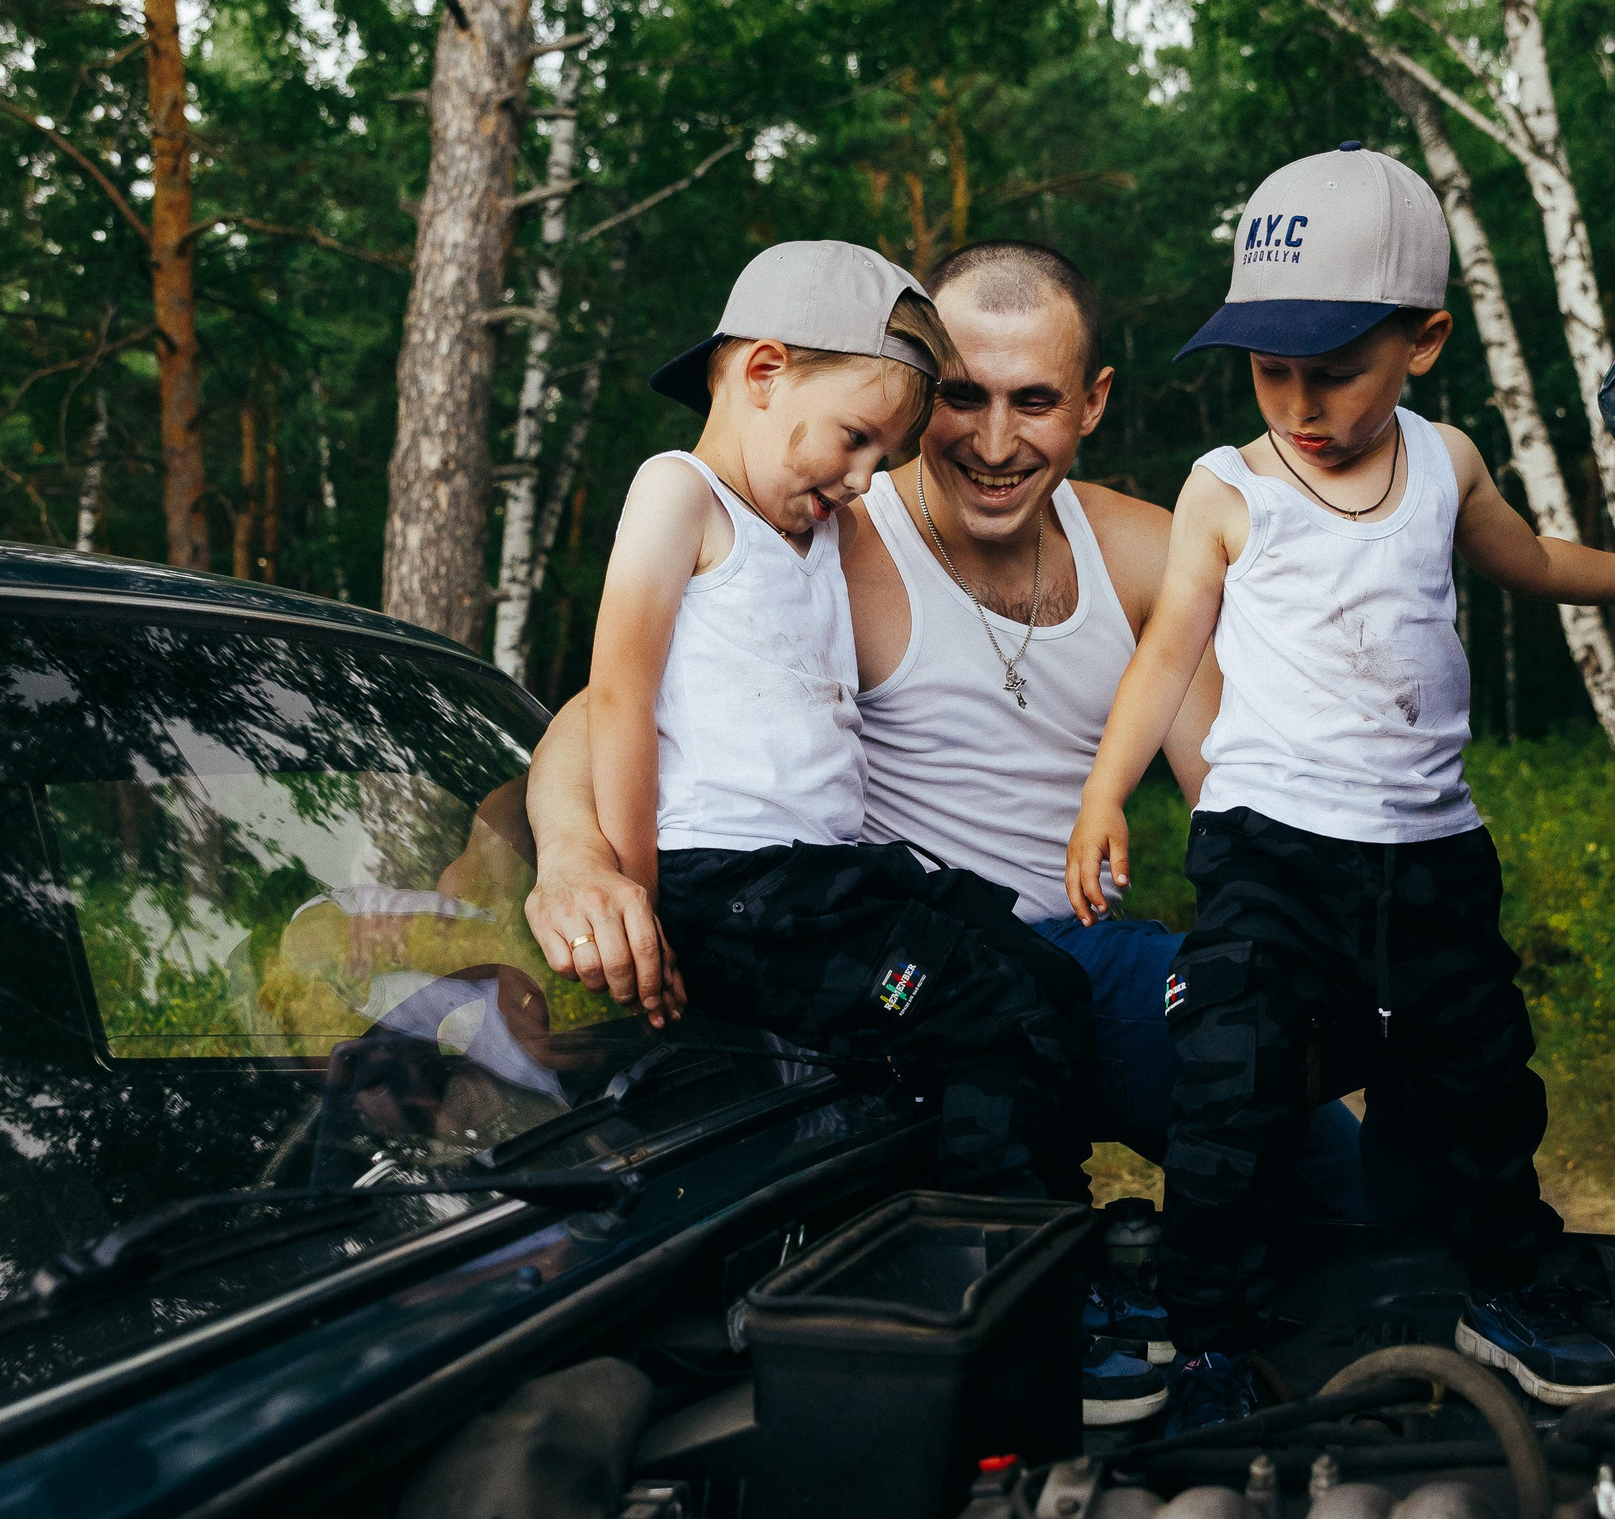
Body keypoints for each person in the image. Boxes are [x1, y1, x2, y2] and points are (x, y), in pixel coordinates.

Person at [527, 241, 1359, 1426]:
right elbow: (606, 702)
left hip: (1067, 950)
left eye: (1033, 402)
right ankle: (1054, 1306)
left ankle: (1253, 1353)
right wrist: (580, 859)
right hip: (886, 944)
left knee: (1328, 1153)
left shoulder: (1136, 548)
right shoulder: (828, 524)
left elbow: (1245, 786)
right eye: (959, 398)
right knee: (1000, 1043)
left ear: (1092, 404)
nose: (991, 440)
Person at [1064, 144, 1615, 1428]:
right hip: (1267, 848)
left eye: (1334, 369)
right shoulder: (1228, 488)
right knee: (1234, 1088)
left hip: (1430, 851)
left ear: (1422, 340)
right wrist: (1104, 797)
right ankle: (1208, 1343)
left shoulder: (1448, 466)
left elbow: (1527, 564)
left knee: (1475, 1083)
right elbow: (1170, 646)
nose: (1299, 401)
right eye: (1269, 368)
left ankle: (1505, 1291)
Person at [567, 238, 1091, 1201]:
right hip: (730, 888)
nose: (862, 478)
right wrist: (632, 888)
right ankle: (989, 1241)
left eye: (881, 455)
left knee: (1050, 983)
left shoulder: (819, 527)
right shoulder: (680, 495)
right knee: (987, 1009)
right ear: (764, 372)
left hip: (831, 886)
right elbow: (617, 698)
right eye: (854, 438)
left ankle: (1052, 1241)